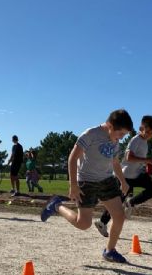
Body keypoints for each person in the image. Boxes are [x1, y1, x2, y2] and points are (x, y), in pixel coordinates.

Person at [41, 109, 133, 263]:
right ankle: (56, 205)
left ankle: (109, 251)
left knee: (119, 216)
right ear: (110, 125)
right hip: (86, 181)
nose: (121, 138)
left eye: (123, 135)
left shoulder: (115, 140)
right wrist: (73, 185)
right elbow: (72, 158)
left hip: (106, 180)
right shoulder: (90, 134)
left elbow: (115, 162)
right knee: (83, 224)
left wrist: (123, 181)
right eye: (121, 134)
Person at [94, 115, 152, 237]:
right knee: (117, 204)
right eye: (148, 131)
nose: (149, 134)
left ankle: (131, 203)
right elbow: (129, 157)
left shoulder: (144, 142)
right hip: (126, 176)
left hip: (137, 175)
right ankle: (102, 222)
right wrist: (147, 160)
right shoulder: (136, 140)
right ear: (141, 128)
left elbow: (139, 160)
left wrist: (147, 164)